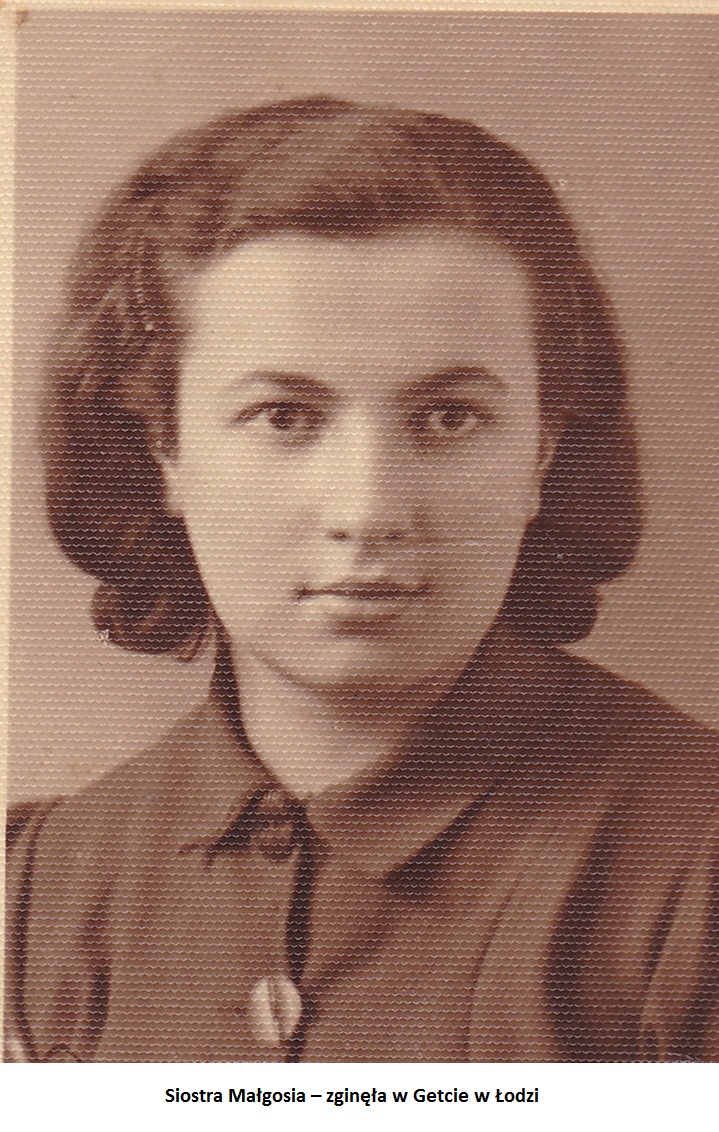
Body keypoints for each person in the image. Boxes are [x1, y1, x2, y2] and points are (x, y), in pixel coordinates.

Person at [5, 95, 718, 1063]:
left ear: (541, 453)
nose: (369, 508)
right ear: (163, 449)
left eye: (449, 418)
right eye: (284, 417)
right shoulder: (40, 890)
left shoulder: (694, 856)